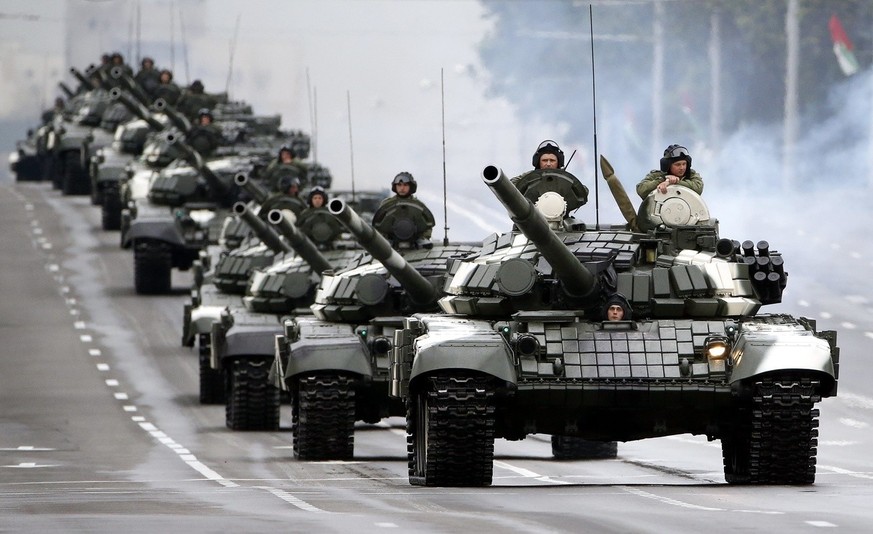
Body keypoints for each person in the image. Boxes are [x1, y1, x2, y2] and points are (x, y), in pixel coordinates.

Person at [372, 172, 435, 241]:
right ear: (395, 186)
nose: (402, 188)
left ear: (411, 186)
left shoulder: (419, 206)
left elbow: (427, 226)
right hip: (390, 245)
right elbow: (379, 225)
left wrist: (423, 238)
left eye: (405, 185)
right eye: (399, 185)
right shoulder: (387, 205)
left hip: (415, 245)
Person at [636, 144, 704, 199]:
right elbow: (641, 190)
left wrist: (672, 182)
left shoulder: (691, 175)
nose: (682, 168)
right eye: (677, 165)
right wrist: (663, 180)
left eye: (684, 164)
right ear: (668, 166)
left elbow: (698, 188)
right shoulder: (656, 175)